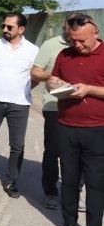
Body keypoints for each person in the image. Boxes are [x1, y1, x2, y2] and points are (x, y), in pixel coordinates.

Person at [48, 14, 104, 226]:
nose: (77, 45)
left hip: (98, 130)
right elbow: (52, 81)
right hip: (67, 127)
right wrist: (54, 85)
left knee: (96, 184)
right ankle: (68, 224)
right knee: (69, 181)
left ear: (95, 32)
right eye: (73, 40)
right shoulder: (64, 55)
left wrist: (89, 89)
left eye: (82, 40)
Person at [0, 13, 39, 198]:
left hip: (19, 104)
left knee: (17, 145)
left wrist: (22, 89)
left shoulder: (33, 50)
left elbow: (35, 76)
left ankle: (11, 181)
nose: (5, 29)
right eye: (3, 25)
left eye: (9, 27)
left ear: (21, 29)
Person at [31, 13, 75, 209]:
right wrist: (56, 73)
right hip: (54, 105)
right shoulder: (51, 45)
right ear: (64, 26)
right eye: (71, 25)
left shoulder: (87, 46)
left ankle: (75, 191)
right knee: (54, 150)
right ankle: (50, 191)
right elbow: (35, 72)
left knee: (79, 153)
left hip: (80, 107)